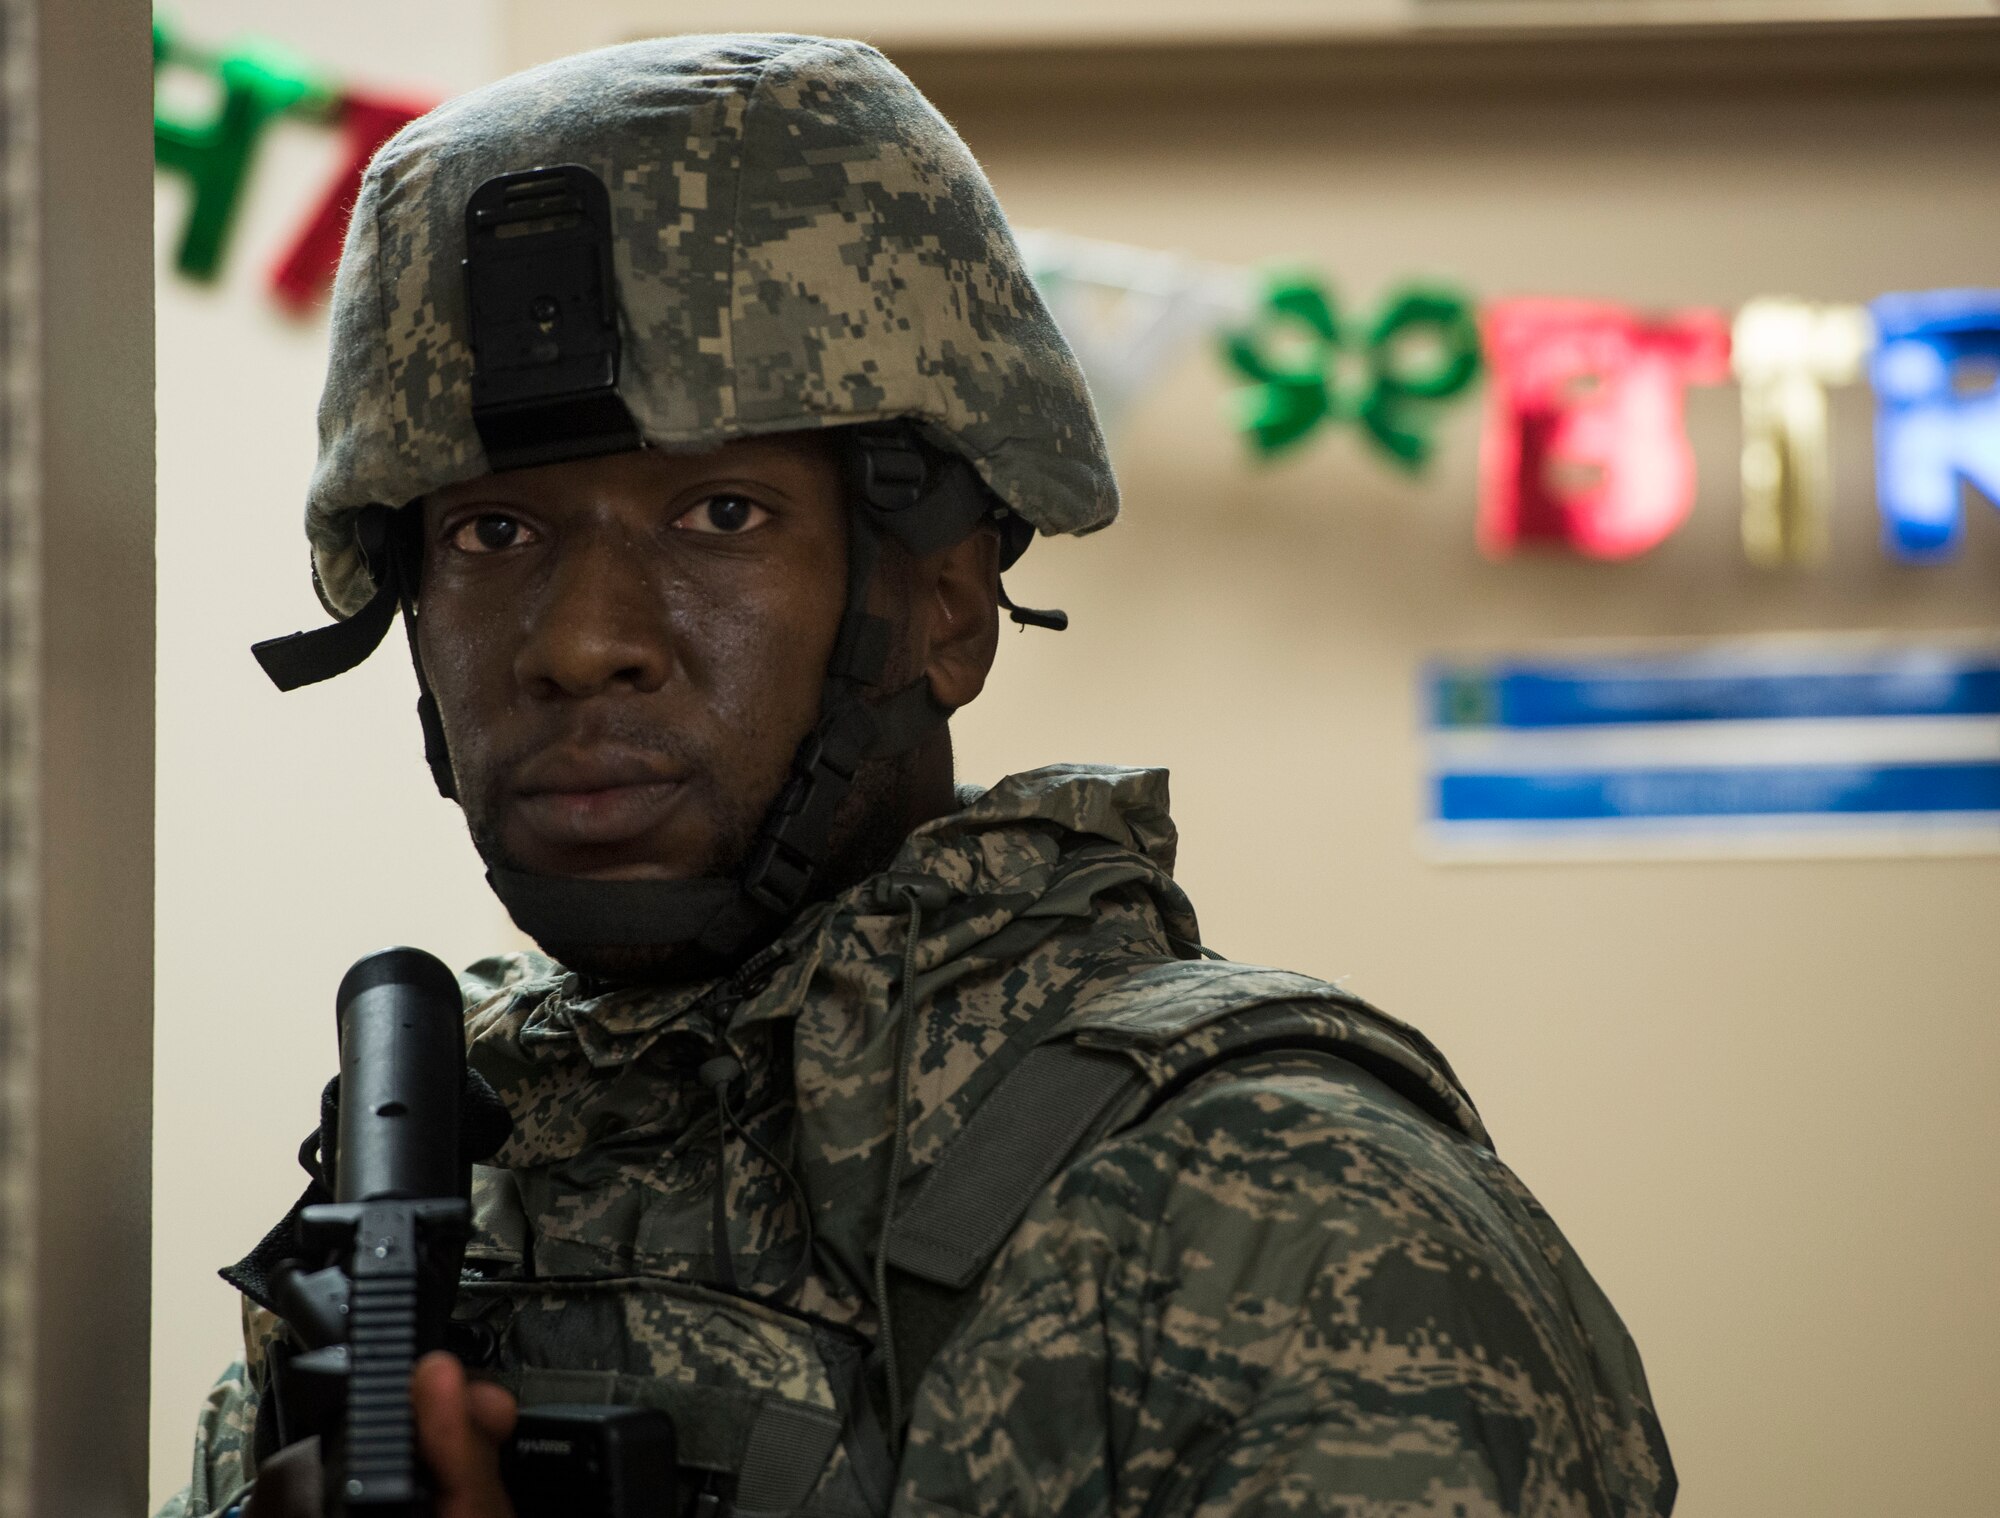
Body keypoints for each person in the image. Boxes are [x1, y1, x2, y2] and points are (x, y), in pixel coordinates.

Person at [158, 34, 1676, 1518]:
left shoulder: (1281, 1225)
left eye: (721, 514)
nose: (581, 643)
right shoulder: (424, 1236)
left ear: (941, 602)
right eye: (493, 535)